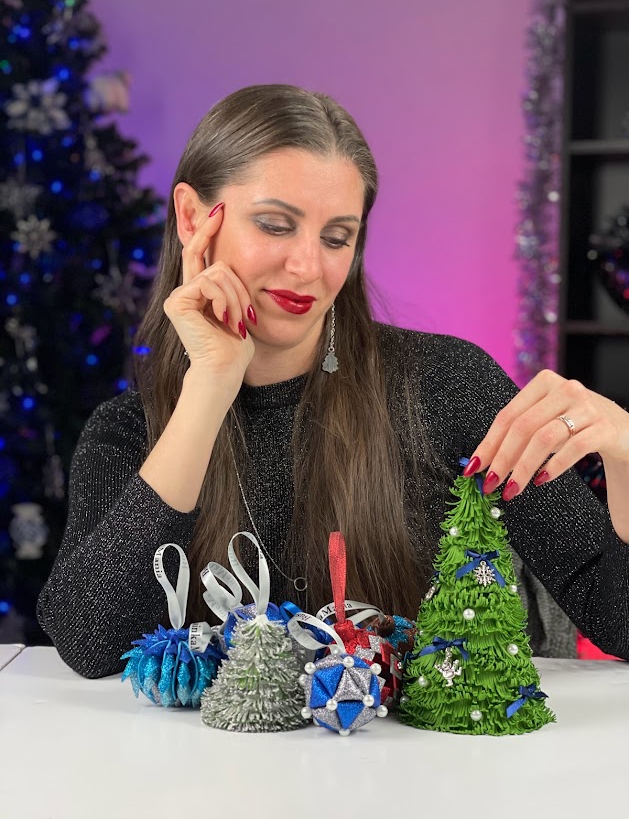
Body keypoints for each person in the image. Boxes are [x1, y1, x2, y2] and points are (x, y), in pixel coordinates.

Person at [37, 84, 629, 679]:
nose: (308, 267)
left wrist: (628, 451)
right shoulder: (125, 431)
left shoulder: (447, 385)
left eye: (337, 237)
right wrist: (210, 386)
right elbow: (90, 644)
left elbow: (617, 616)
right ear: (194, 218)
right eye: (274, 224)